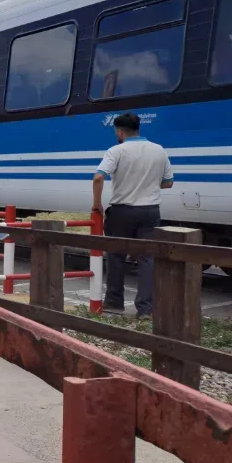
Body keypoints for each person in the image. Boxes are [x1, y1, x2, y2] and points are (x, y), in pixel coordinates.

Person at [93, 112, 173, 317]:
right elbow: (168, 182)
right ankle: (146, 309)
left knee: (116, 256)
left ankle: (114, 304)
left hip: (122, 211)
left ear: (120, 131)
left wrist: (97, 205)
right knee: (147, 259)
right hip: (150, 211)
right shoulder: (159, 150)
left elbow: (98, 178)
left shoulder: (116, 151)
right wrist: (148, 184)